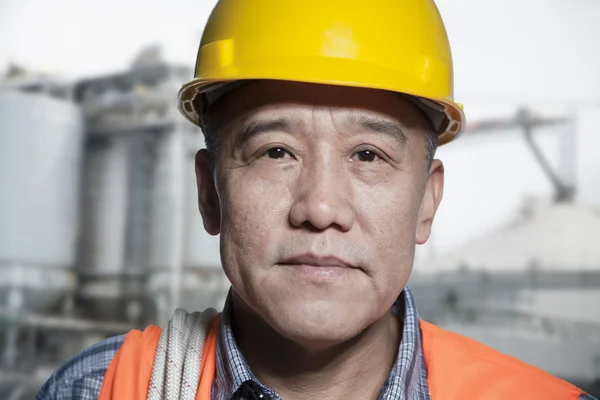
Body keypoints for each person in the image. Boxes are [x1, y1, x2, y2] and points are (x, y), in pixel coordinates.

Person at [35, 0, 596, 399]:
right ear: (209, 192)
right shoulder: (100, 388)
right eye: (276, 151)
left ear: (427, 202)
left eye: (369, 156)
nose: (321, 208)